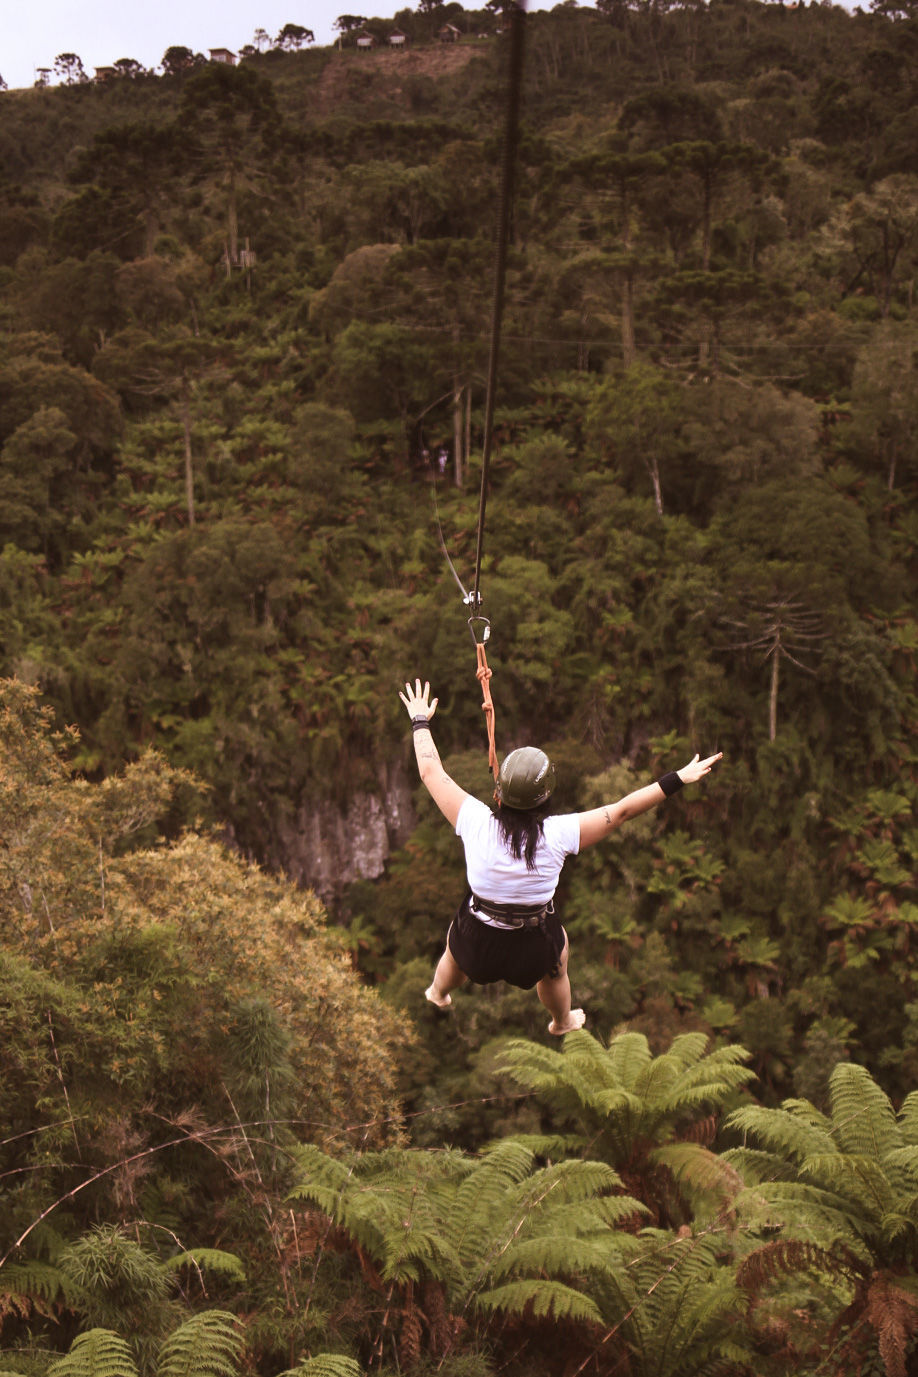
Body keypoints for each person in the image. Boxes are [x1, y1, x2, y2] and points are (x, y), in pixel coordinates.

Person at [399, 678, 723, 1035]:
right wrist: (676, 778)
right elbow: (621, 812)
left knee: (454, 946)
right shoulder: (559, 833)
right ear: (546, 797)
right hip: (532, 953)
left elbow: (431, 771)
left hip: (476, 949)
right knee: (559, 957)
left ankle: (439, 991)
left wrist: (420, 720)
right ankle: (561, 1020)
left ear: (499, 794)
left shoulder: (474, 820)